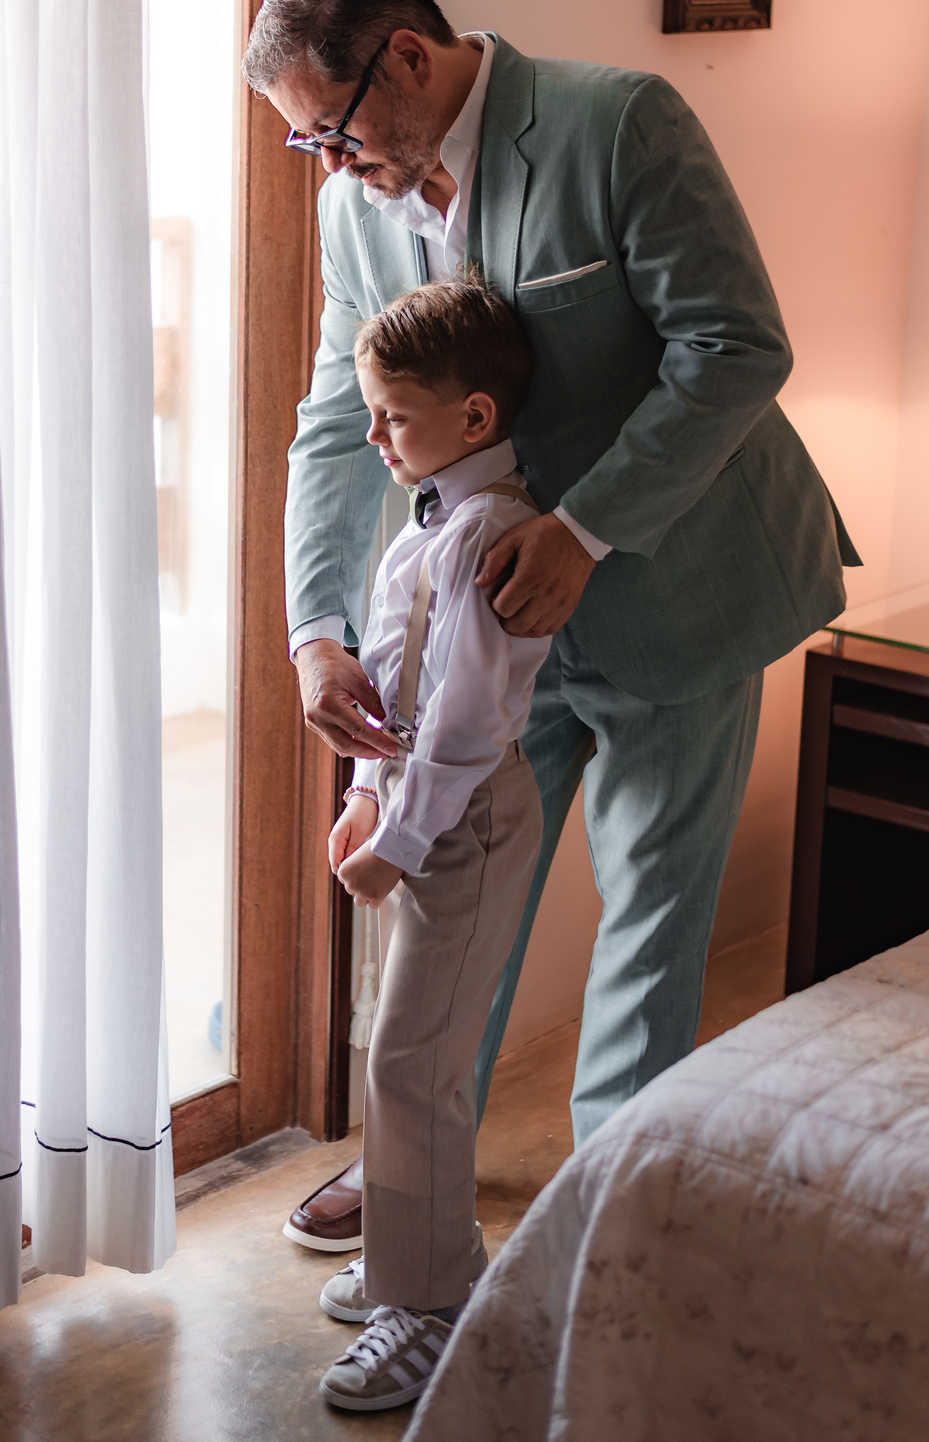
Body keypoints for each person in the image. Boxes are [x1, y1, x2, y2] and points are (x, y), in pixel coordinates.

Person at [241, 0, 857, 1256]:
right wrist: (315, 629)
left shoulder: (614, 121)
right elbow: (337, 421)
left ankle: (599, 1210)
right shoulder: (356, 210)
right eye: (309, 149)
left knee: (647, 915)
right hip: (482, 638)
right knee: (460, 912)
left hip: (673, 587)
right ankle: (419, 1163)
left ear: (407, 55)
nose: (333, 168)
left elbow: (737, 345)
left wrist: (582, 532)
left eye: (334, 134)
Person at [317, 275, 549, 1413]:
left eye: (394, 415)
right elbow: (393, 681)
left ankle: (435, 1303)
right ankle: (421, 1249)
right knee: (399, 1049)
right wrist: (365, 791)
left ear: (475, 417)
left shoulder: (495, 538)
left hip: (468, 819)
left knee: (413, 1059)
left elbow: (466, 722)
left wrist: (402, 839)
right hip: (413, 809)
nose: (373, 436)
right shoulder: (422, 524)